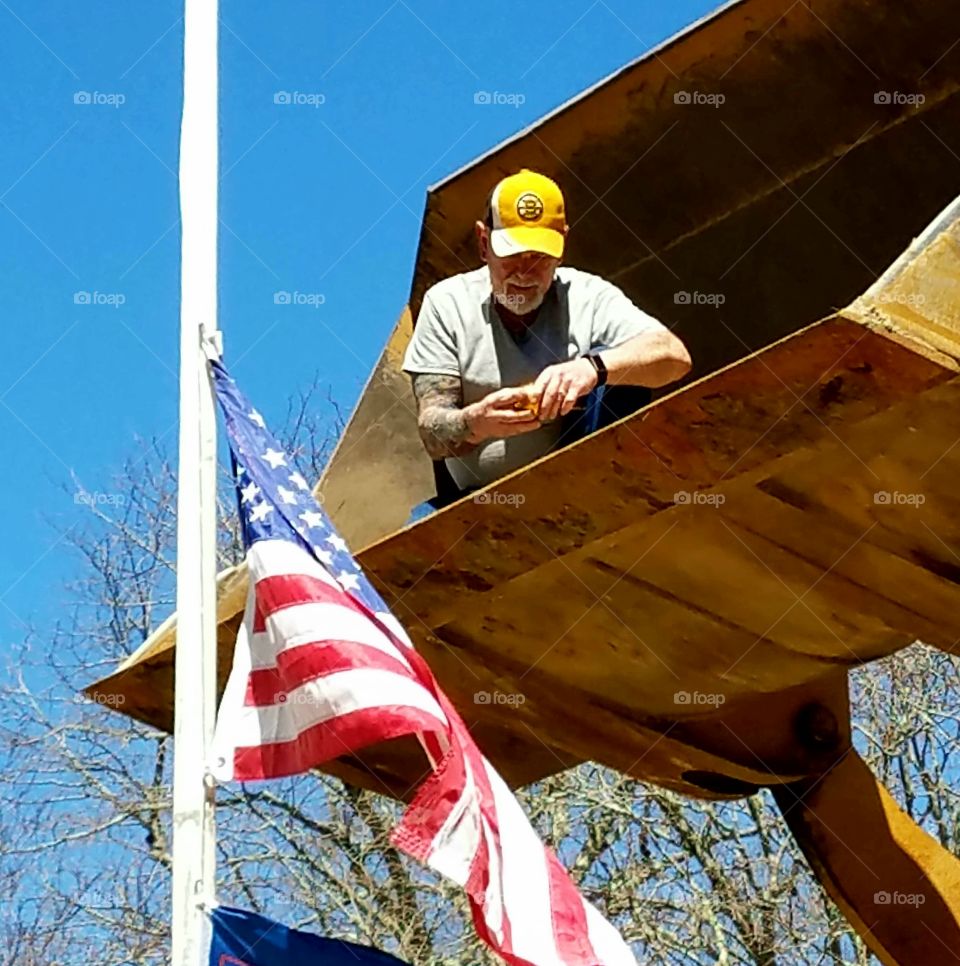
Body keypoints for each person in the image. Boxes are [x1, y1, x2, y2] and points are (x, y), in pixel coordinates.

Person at [402, 169, 691, 505]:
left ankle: (605, 496)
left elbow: (674, 356)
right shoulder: (448, 303)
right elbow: (432, 431)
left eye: (539, 255)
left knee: (620, 367)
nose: (525, 272)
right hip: (472, 501)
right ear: (484, 244)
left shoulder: (588, 295)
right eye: (512, 254)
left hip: (576, 487)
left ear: (562, 246)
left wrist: (591, 368)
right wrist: (477, 422)